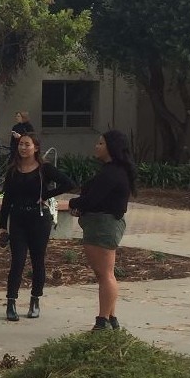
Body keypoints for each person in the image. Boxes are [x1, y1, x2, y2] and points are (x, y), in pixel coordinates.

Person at [0, 133, 77, 321]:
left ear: (36, 147)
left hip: (39, 219)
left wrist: (47, 195)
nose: (23, 148)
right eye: (20, 145)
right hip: (18, 218)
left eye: (27, 144)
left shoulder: (44, 169)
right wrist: (2, 225)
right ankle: (11, 302)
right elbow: (6, 199)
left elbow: (69, 183)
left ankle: (35, 300)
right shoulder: (12, 170)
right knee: (17, 261)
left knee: (37, 260)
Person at [68, 129, 137, 331]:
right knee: (105, 274)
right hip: (101, 224)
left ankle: (102, 320)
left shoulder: (112, 173)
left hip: (103, 226)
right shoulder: (113, 170)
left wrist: (74, 202)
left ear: (111, 147)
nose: (96, 146)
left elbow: (92, 199)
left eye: (100, 143)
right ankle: (111, 317)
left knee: (105, 274)